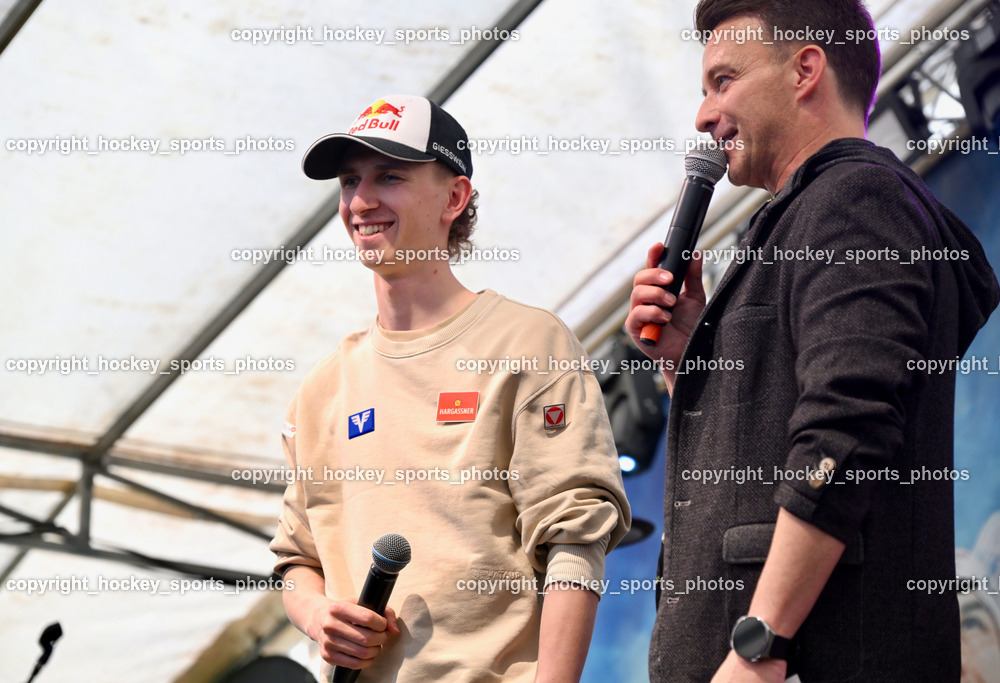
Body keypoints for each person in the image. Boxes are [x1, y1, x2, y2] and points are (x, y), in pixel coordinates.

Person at [625, 1, 1000, 681]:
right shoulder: (804, 219)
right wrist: (690, 362)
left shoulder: (855, 199)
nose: (703, 115)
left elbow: (845, 429)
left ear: (804, 70)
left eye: (723, 81)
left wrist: (758, 642)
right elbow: (763, 447)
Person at [270, 94, 631, 682]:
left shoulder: (527, 342)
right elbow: (296, 559)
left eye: (389, 176)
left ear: (455, 197)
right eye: (349, 180)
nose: (361, 201)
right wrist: (317, 615)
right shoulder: (321, 390)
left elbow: (574, 535)